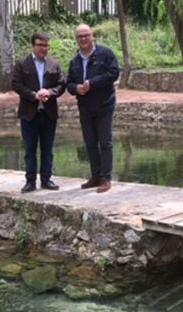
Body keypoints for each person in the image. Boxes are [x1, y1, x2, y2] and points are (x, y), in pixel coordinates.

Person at [66, 23, 120, 194]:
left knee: (105, 142)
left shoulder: (105, 54)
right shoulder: (74, 61)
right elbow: (69, 83)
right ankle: (95, 176)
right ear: (77, 39)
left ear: (92, 36)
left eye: (86, 35)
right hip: (85, 106)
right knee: (90, 142)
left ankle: (106, 178)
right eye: (80, 36)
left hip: (104, 104)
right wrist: (77, 89)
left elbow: (114, 73)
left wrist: (92, 83)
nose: (83, 39)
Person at [12, 31, 66, 193]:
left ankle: (46, 179)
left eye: (46, 45)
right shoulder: (23, 63)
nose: (44, 48)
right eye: (40, 45)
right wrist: (34, 95)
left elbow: (62, 84)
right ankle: (30, 181)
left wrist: (50, 92)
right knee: (29, 150)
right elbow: (16, 84)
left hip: (49, 114)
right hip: (29, 114)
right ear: (33, 45)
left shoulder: (54, 64)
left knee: (47, 150)